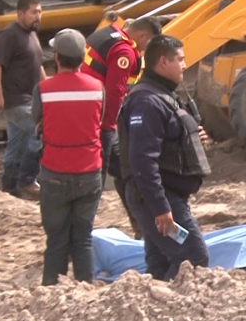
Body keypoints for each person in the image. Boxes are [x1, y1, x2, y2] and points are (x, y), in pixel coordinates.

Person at [118, 35, 211, 281]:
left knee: (160, 264)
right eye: (179, 60)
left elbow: (168, 139)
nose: (184, 65)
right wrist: (160, 207)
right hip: (158, 200)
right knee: (193, 259)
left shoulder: (162, 96)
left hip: (163, 197)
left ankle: (158, 310)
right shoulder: (147, 102)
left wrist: (193, 138)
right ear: (162, 62)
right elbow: (142, 160)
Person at [33, 29, 104, 286]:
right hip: (89, 172)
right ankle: (85, 287)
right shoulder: (97, 88)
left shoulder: (43, 89)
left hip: (55, 172)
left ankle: (52, 289)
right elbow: (99, 119)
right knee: (83, 237)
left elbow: (37, 120)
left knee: (56, 239)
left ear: (57, 57)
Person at [82, 16, 162, 238]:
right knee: (97, 181)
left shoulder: (105, 33)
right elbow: (115, 91)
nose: (147, 50)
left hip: (88, 114)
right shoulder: (124, 52)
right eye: (149, 44)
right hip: (101, 121)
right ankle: (82, 235)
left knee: (123, 170)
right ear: (142, 36)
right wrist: (109, 127)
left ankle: (141, 226)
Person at [0, 0, 45, 199]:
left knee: (17, 143)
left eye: (40, 12)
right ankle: (27, 179)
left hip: (30, 97)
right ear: (20, 13)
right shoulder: (10, 35)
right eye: (33, 12)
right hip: (16, 100)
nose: (38, 16)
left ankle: (9, 187)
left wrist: (46, 87)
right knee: (39, 131)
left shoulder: (32, 35)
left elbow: (36, 64)